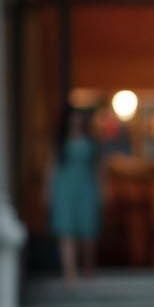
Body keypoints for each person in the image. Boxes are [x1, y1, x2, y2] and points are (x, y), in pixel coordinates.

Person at [48, 106, 102, 282]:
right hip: (64, 187)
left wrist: (102, 188)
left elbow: (98, 167)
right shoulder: (60, 141)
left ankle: (88, 268)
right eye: (73, 118)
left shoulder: (91, 140)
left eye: (78, 118)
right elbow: (52, 166)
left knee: (88, 228)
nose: (75, 121)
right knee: (66, 228)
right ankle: (69, 272)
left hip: (86, 186)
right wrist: (47, 190)